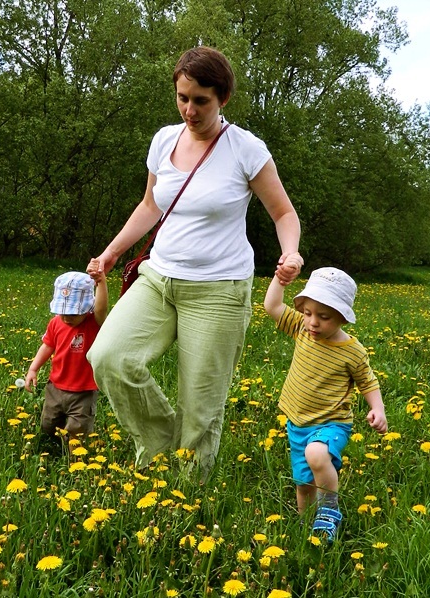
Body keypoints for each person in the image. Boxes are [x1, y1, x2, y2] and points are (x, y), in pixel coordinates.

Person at [87, 46, 303, 477]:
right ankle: (161, 443)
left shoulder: (246, 149)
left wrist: (291, 251)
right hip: (157, 278)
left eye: (200, 100)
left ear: (222, 97)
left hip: (219, 290)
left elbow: (284, 213)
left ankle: (187, 497)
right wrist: (112, 251)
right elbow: (150, 205)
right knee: (108, 357)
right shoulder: (164, 140)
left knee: (200, 406)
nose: (189, 109)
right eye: (182, 97)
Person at [264, 266, 387, 540]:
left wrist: (377, 408)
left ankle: (329, 509)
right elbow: (272, 305)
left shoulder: (352, 351)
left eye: (324, 316)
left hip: (332, 422)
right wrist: (280, 279)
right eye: (307, 313)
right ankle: (309, 532)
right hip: (297, 423)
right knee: (303, 483)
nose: (313, 322)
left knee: (317, 455)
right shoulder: (301, 329)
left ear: (343, 317)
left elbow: (368, 382)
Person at [25, 265, 108, 452]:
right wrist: (33, 368)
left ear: (87, 308)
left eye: (73, 313)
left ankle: (74, 461)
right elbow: (47, 345)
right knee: (48, 424)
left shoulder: (93, 322)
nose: (67, 318)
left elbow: (102, 307)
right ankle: (50, 450)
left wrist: (101, 281)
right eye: (63, 312)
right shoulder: (56, 322)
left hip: (83, 391)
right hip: (55, 387)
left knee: (77, 431)